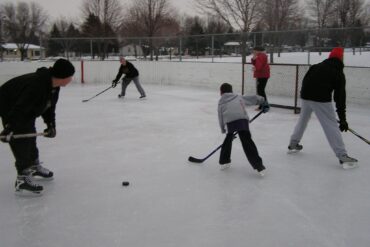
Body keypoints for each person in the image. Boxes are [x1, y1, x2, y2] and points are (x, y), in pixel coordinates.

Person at [0, 58, 75, 195]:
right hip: (9, 105)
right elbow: (20, 108)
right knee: (21, 139)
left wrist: (50, 124)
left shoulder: (54, 86)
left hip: (24, 108)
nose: (71, 79)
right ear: (62, 76)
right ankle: (22, 178)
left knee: (31, 134)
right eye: (70, 76)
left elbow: (49, 107)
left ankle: (33, 166)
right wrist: (10, 127)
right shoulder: (37, 85)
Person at [288, 47, 358, 169]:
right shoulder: (338, 72)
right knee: (330, 125)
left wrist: (305, 95)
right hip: (320, 99)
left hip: (306, 96)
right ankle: (342, 155)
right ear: (341, 58)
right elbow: (340, 98)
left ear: (330, 56)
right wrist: (342, 119)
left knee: (302, 120)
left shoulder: (316, 66)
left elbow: (305, 81)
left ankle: (293, 143)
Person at [218, 83, 269, 176]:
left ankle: (224, 161)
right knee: (247, 142)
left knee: (228, 140)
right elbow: (252, 98)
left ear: (221, 92)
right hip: (242, 120)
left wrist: (223, 130)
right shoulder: (238, 97)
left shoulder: (221, 102)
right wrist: (263, 101)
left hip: (230, 123)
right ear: (231, 91)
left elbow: (220, 117)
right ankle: (259, 166)